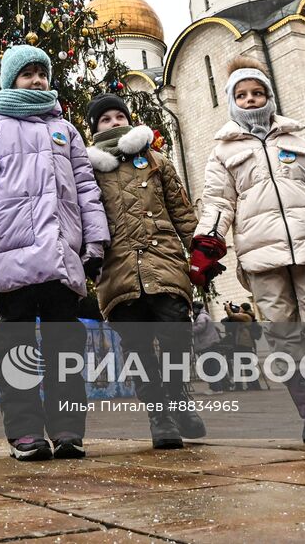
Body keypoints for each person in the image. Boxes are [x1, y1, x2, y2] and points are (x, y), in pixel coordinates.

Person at [0, 45, 109, 461]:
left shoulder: (66, 130)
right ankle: (24, 433)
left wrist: (95, 242)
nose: (36, 80)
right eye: (27, 74)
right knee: (16, 344)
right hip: (12, 253)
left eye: (42, 73)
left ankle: (68, 427)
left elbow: (87, 191)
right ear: (10, 81)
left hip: (60, 254)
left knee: (64, 345)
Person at [197, 58, 305, 442]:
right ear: (231, 101)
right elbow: (218, 204)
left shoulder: (297, 142)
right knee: (283, 333)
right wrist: (208, 244)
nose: (251, 99)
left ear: (270, 97)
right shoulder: (223, 152)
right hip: (261, 258)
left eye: (258, 92)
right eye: (242, 94)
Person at [84, 93, 202, 449]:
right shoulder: (88, 171)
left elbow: (181, 210)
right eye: (106, 119)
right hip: (117, 267)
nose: (115, 122)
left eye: (120, 116)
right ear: (94, 129)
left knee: (175, 331)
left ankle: (178, 397)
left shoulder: (156, 160)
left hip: (163, 258)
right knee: (136, 345)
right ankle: (159, 415)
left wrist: (198, 253)